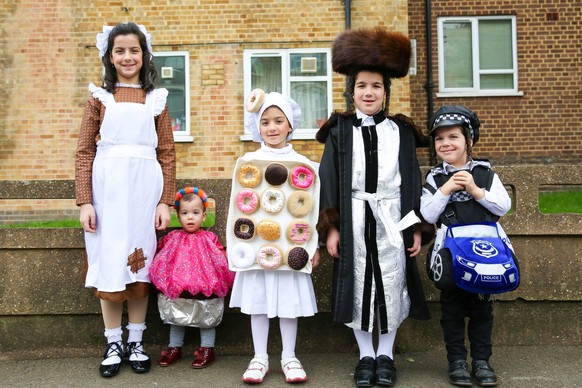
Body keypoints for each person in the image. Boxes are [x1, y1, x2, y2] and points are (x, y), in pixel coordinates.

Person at [316, 27, 431, 387]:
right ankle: (366, 354)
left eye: (376, 86)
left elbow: (411, 181)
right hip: (353, 217)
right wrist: (331, 226)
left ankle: (387, 355)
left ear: (386, 91)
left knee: (392, 283)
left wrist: (414, 226)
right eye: (362, 85)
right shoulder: (339, 131)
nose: (369, 92)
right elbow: (329, 178)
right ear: (352, 90)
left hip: (392, 218)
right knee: (359, 284)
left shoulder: (402, 132)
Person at [75, 22, 176, 378]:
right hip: (108, 192)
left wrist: (165, 201)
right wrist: (85, 201)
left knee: (140, 258)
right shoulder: (99, 98)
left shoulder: (156, 100)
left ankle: (136, 339)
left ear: (144, 55)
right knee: (110, 259)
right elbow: (85, 150)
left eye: (134, 50)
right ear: (110, 56)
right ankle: (112, 340)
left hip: (144, 191)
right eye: (120, 50)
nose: (128, 57)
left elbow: (167, 153)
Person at [228, 91, 320, 384]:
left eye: (279, 121)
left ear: (290, 125)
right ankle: (259, 357)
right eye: (265, 121)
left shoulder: (304, 165)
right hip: (257, 248)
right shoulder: (248, 162)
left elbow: (312, 210)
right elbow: (236, 207)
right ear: (257, 126)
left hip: (290, 245)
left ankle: (289, 356)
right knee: (257, 302)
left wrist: (311, 245)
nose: (272, 127)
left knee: (288, 303)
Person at [420, 105, 511, 387]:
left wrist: (475, 190)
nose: (446, 143)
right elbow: (427, 215)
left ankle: (482, 361)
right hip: (450, 255)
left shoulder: (484, 173)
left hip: (486, 254)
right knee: (452, 310)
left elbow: (503, 206)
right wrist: (446, 190)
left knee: (482, 309)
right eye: (439, 139)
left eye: (453, 137)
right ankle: (457, 361)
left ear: (468, 141)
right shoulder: (435, 178)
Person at [149, 186, 235, 369]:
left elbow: (220, 257)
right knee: (176, 315)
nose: (190, 217)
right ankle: (174, 347)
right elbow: (160, 254)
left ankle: (207, 348)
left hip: (205, 286)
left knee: (206, 316)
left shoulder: (209, 238)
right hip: (178, 287)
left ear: (203, 216)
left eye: (195, 213)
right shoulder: (172, 238)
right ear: (178, 216)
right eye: (185, 213)